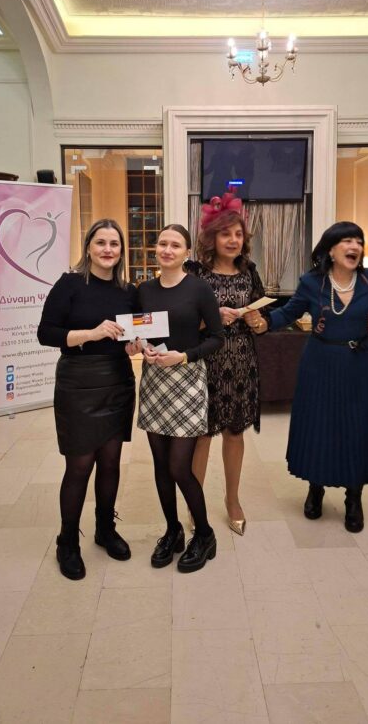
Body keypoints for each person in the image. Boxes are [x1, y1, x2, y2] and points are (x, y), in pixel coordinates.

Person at [248, 222, 368, 532]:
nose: (355, 246)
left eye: (359, 241)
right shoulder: (311, 282)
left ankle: (353, 498)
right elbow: (288, 312)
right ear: (330, 250)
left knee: (357, 428)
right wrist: (263, 323)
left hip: (358, 364)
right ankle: (315, 488)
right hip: (318, 362)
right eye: (347, 241)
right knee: (319, 426)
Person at [37, 219, 137, 581]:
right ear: (89, 247)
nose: (108, 249)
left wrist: (134, 345)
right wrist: (91, 334)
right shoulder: (69, 284)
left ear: (121, 251)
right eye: (101, 242)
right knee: (79, 465)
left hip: (117, 380)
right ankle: (67, 541)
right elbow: (46, 334)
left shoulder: (129, 291)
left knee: (110, 462)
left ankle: (105, 529)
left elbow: (133, 335)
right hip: (78, 382)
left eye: (114, 243)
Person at [134, 224, 224, 572]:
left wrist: (184, 356)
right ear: (155, 249)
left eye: (175, 245)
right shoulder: (144, 290)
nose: (167, 250)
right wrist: (139, 345)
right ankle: (172, 531)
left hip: (187, 379)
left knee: (178, 467)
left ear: (187, 253)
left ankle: (204, 533)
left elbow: (216, 338)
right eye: (162, 243)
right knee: (160, 466)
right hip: (154, 381)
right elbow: (139, 332)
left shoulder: (199, 288)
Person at [187, 191, 264, 536]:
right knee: (201, 436)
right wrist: (211, 319)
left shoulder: (250, 273)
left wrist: (257, 321)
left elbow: (261, 322)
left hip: (241, 363)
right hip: (204, 363)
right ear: (211, 237)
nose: (233, 240)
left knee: (234, 433)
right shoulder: (195, 274)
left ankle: (233, 500)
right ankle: (196, 503)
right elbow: (183, 322)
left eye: (238, 234)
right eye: (225, 234)